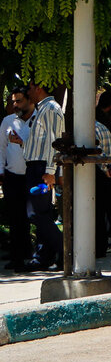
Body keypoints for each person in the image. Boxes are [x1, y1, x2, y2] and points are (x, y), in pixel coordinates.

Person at [18, 82, 64, 272]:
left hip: (41, 169)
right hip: (36, 167)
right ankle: (43, 257)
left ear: (38, 88)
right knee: (41, 213)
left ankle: (65, 252)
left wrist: (51, 171)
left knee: (36, 214)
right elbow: (41, 142)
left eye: (29, 88)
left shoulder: (50, 108)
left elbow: (56, 141)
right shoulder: (42, 109)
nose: (27, 92)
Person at [2, 88, 33, 270]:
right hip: (12, 176)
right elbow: (1, 147)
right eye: (13, 101)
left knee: (34, 215)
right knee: (15, 218)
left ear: (29, 100)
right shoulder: (7, 121)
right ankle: (17, 257)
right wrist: (1, 170)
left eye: (19, 101)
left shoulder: (38, 120)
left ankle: (37, 254)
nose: (15, 105)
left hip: (32, 174)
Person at [95, 90, 111, 257]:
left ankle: (98, 247)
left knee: (96, 213)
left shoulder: (89, 130)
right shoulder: (103, 128)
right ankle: (103, 245)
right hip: (108, 174)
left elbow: (98, 152)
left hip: (97, 173)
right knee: (106, 210)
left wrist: (105, 168)